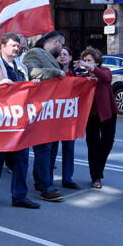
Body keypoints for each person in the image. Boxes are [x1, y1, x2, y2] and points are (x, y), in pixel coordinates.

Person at [0, 33, 41, 209]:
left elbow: (24, 91)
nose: (16, 48)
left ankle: (19, 196)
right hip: (0, 118)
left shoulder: (21, 67)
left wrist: (32, 85)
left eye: (17, 46)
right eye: (12, 45)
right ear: (2, 46)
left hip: (19, 118)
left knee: (22, 157)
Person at [22, 31, 66, 202]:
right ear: (56, 41)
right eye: (61, 45)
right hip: (37, 108)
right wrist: (56, 72)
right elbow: (30, 72)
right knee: (43, 148)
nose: (62, 49)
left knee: (47, 148)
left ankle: (43, 183)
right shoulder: (34, 52)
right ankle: (44, 186)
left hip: (49, 109)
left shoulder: (49, 56)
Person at [74, 47, 119, 189]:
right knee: (93, 146)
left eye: (89, 61)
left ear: (97, 62)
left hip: (108, 114)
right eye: (85, 61)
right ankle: (96, 176)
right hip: (91, 116)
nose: (86, 63)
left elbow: (107, 78)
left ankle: (99, 169)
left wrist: (91, 68)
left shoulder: (104, 71)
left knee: (107, 143)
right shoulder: (83, 77)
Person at [52, 47, 80, 189]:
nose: (62, 57)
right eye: (59, 55)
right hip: (54, 118)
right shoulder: (53, 74)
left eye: (65, 55)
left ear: (70, 57)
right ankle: (47, 179)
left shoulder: (74, 74)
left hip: (69, 119)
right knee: (52, 150)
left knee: (69, 149)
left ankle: (67, 178)